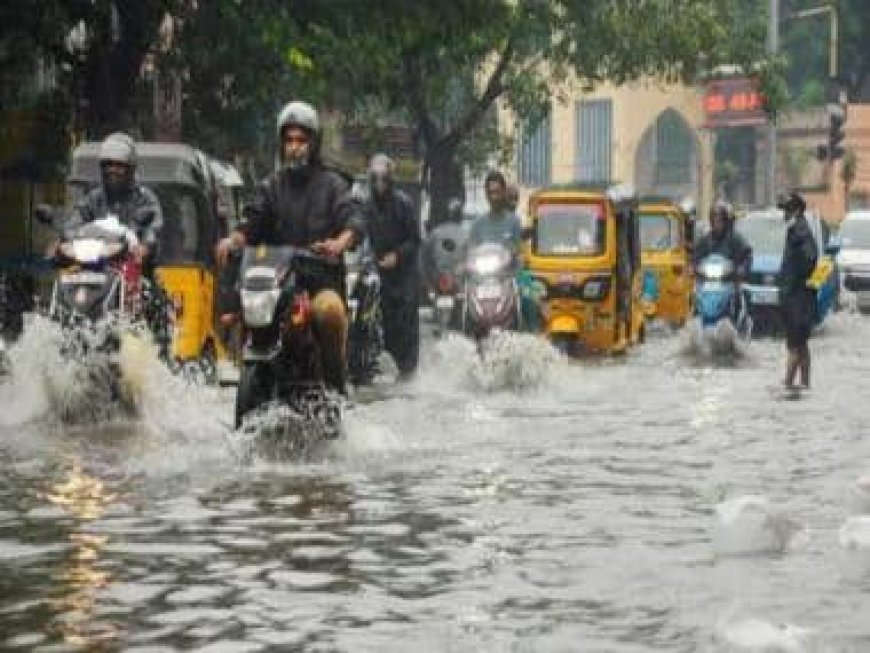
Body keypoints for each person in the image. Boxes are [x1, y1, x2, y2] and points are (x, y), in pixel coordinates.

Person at [216, 100, 364, 395]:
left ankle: (336, 390)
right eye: (289, 140)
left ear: (314, 143)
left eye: (301, 140)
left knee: (330, 312)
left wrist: (340, 242)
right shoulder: (271, 186)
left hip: (319, 283)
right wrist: (233, 240)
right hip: (277, 284)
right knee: (240, 311)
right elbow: (252, 223)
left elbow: (353, 219)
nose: (294, 147)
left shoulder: (334, 185)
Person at [53, 132, 163, 271]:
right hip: (92, 267)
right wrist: (65, 237)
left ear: (131, 168)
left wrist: (145, 246)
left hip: (136, 269)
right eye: (108, 165)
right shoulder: (93, 198)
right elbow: (76, 221)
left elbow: (154, 227)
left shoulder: (145, 198)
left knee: (153, 290)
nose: (112, 170)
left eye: (119, 165)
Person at [361, 153, 421, 380]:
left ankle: (409, 371)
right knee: (385, 320)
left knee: (407, 320)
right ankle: (385, 363)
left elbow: (415, 239)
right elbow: (361, 235)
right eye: (375, 179)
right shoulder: (366, 207)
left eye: (383, 179)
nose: (379, 184)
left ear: (390, 179)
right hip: (381, 271)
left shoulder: (403, 203)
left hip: (405, 272)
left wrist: (397, 255)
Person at [777, 191, 818, 390]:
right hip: (793, 296)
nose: (784, 214)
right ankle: (804, 383)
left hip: (797, 298)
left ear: (797, 210)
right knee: (800, 343)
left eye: (787, 210)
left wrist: (794, 284)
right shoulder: (795, 231)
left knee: (795, 344)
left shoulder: (801, 231)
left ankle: (788, 384)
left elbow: (810, 260)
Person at [692, 200, 752, 319]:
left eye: (720, 220)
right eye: (714, 220)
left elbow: (746, 254)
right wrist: (693, 266)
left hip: (729, 279)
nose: (716, 223)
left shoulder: (736, 239)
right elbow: (696, 255)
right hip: (707, 281)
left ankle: (739, 319)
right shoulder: (705, 240)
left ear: (727, 221)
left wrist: (742, 268)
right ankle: (696, 317)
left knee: (742, 293)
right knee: (694, 294)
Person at [468, 170, 522, 256]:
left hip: (507, 268)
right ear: (486, 194)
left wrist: (512, 252)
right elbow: (472, 252)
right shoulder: (477, 224)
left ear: (504, 192)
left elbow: (518, 251)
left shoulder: (514, 221)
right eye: (490, 192)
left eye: (497, 192)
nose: (494, 197)